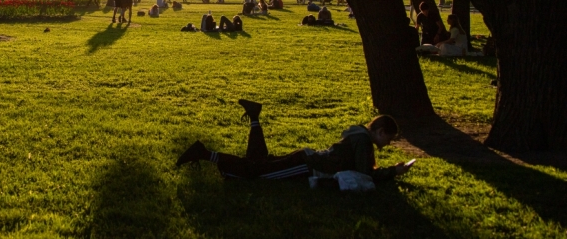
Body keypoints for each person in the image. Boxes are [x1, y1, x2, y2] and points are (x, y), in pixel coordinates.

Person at [176, 100, 413, 182]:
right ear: (380, 131)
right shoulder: (363, 142)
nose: (389, 143)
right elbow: (365, 174)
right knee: (256, 173)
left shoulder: (358, 134)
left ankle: (255, 118)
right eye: (389, 138)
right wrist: (394, 171)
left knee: (260, 162)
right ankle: (204, 153)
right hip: (307, 166)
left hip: (307, 159)